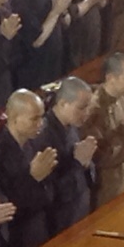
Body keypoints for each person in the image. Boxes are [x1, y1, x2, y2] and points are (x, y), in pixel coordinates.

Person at [0, 89, 57, 247]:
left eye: (42, 117)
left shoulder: (35, 143)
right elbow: (7, 205)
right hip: (17, 242)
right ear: (14, 118)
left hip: (40, 229)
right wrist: (32, 178)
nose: (41, 124)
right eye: (34, 119)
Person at [34, 76, 97, 235]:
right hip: (60, 220)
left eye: (88, 108)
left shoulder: (72, 126)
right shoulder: (44, 135)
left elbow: (83, 166)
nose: (86, 114)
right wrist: (78, 163)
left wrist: (87, 163)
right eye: (81, 108)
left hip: (79, 209)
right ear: (63, 103)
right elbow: (52, 191)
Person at [83, 54, 124, 207]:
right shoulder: (94, 110)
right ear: (110, 78)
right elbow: (101, 157)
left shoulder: (121, 98)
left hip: (123, 178)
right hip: (105, 187)